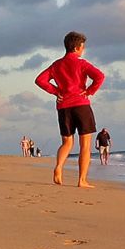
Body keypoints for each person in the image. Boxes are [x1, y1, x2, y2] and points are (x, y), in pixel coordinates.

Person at [33, 30, 105, 188]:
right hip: (81, 105)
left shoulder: (56, 65)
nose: (83, 49)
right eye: (83, 47)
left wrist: (56, 91)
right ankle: (82, 180)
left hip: (63, 106)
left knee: (67, 142)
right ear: (77, 47)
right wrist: (89, 91)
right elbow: (100, 76)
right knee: (85, 145)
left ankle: (59, 167)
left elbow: (40, 80)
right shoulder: (81, 63)